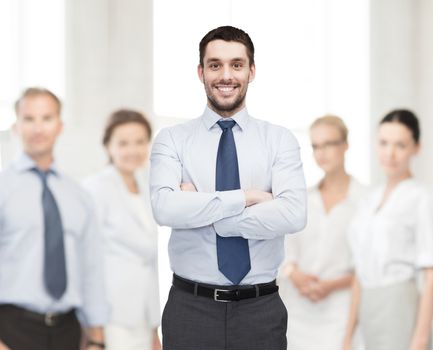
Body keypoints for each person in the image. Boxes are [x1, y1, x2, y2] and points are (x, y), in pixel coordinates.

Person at [149, 25, 307, 350]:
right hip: (190, 309)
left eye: (236, 65)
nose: (226, 75)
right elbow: (165, 208)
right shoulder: (172, 140)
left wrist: (207, 212)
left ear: (251, 71)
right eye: (215, 65)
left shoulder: (279, 141)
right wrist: (247, 198)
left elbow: (293, 215)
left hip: (260, 311)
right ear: (200, 72)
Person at [0, 87, 108, 350]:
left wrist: (97, 339)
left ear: (60, 126)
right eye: (29, 118)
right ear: (16, 126)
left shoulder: (78, 195)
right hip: (11, 329)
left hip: (68, 332)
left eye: (46, 118)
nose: (38, 128)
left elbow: (91, 269)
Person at [343, 109, 433, 350]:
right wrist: (348, 336)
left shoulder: (420, 198)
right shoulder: (369, 200)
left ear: (416, 148)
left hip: (400, 304)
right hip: (368, 307)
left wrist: (421, 340)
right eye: (384, 143)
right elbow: (359, 273)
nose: (390, 154)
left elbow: (430, 273)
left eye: (400, 145)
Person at [278, 115, 364, 349]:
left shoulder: (365, 201)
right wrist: (295, 275)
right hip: (298, 308)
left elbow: (365, 264)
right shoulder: (302, 199)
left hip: (339, 311)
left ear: (345, 145)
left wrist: (330, 285)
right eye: (316, 146)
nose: (321, 153)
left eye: (329, 144)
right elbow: (285, 249)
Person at [83, 109, 161, 350]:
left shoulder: (147, 187)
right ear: (108, 146)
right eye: (123, 143)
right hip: (111, 316)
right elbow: (87, 260)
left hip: (142, 315)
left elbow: (149, 260)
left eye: (140, 142)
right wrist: (94, 330)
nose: (133, 150)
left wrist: (153, 327)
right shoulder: (95, 188)